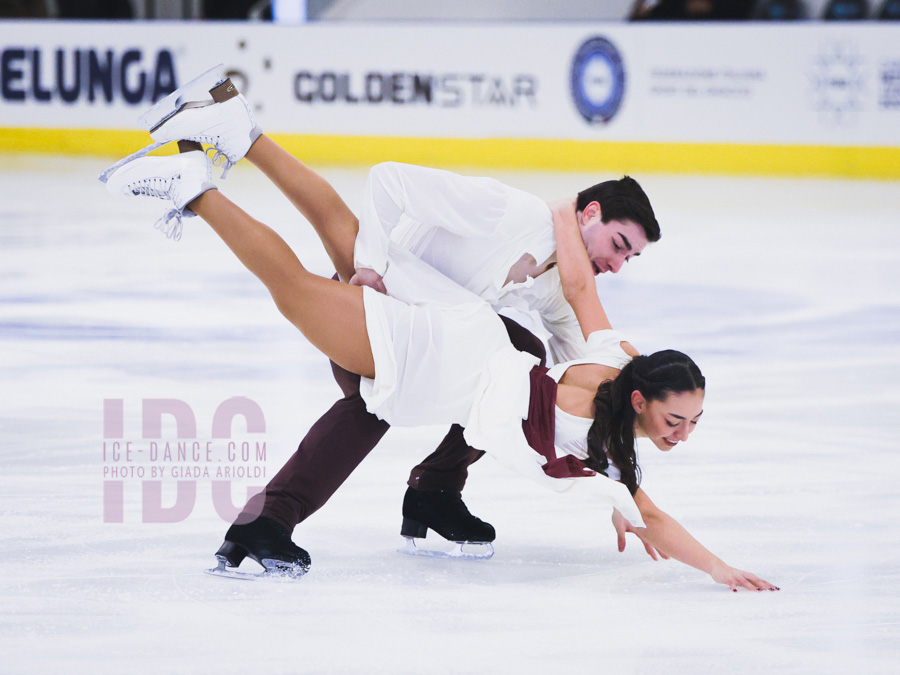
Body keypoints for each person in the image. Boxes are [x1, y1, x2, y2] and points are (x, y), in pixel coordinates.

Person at [103, 142, 779, 593]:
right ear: (640, 399)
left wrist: (701, 556)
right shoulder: (607, 364)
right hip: (447, 359)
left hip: (465, 342)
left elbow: (650, 512)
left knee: (327, 264)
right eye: (676, 419)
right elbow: (580, 282)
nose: (682, 434)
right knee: (297, 291)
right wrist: (718, 567)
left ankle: (228, 156)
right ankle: (197, 191)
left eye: (693, 423)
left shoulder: (612, 424)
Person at [100, 67, 663, 554]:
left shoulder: (559, 286)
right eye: (619, 245)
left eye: (630, 258)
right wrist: (368, 265)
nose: (617, 265)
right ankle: (284, 517)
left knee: (521, 362)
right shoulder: (511, 213)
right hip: (386, 301)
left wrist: (617, 476)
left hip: (427, 324)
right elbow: (390, 181)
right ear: (589, 213)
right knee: (373, 402)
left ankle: (236, 133)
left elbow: (578, 380)